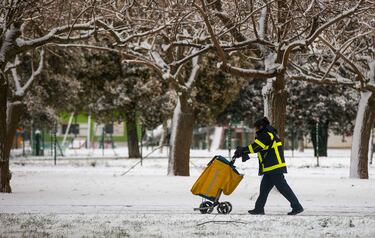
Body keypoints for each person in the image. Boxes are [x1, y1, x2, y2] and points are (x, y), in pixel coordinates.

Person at [233, 116, 304, 215]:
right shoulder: (270, 134)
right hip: (271, 167)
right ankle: (259, 209)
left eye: (257, 128)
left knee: (283, 188)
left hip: (274, 167)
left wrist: (243, 150)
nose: (256, 130)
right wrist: (243, 151)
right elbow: (259, 147)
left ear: (261, 127)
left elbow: (256, 147)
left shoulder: (265, 135)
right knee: (264, 190)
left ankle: (297, 206)